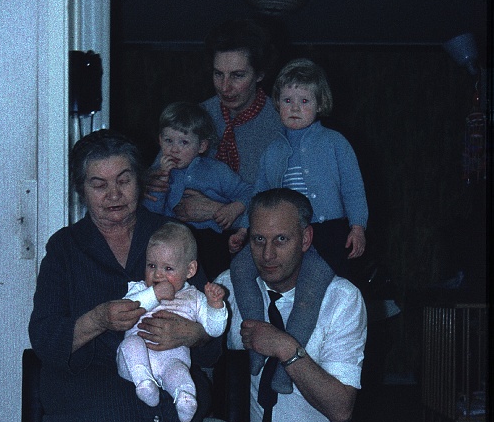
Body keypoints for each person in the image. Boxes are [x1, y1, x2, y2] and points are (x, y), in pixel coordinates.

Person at [29, 129, 222, 422]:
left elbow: (215, 336)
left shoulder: (173, 238)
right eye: (99, 184)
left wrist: (190, 336)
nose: (113, 195)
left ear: (141, 182)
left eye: (123, 180)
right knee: (111, 411)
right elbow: (45, 338)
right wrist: (96, 320)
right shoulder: (65, 249)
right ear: (81, 190)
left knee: (176, 413)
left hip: (165, 365)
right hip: (84, 374)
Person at [215, 188, 370, 422]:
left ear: (306, 238)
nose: (268, 255)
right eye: (259, 240)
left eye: (281, 240)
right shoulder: (228, 287)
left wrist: (285, 348)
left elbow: (341, 409)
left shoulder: (342, 299)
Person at [147, 18, 283, 257]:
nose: (225, 87)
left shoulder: (281, 126)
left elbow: (286, 208)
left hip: (260, 249)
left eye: (238, 75)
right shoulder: (193, 118)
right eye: (218, 74)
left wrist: (217, 210)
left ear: (260, 74)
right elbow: (153, 181)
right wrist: (150, 180)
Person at [250, 58, 369, 277]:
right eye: (287, 100)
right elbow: (259, 194)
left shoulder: (335, 142)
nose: (295, 107)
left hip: (329, 230)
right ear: (277, 103)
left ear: (320, 104)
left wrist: (357, 227)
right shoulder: (272, 150)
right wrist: (245, 227)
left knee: (329, 283)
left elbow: (353, 189)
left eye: (304, 101)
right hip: (286, 233)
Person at [116, 221, 227, 422]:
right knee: (130, 345)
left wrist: (215, 306)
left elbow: (214, 329)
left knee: (179, 372)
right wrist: (153, 294)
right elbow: (126, 309)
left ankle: (185, 400)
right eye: (151, 266)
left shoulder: (194, 297)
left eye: (168, 268)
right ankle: (144, 384)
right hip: (134, 361)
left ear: (190, 270)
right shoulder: (139, 290)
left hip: (173, 360)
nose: (158, 274)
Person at [143, 102, 252, 277]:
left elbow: (249, 191)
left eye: (184, 142)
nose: (174, 149)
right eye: (168, 140)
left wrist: (235, 207)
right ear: (159, 140)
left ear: (202, 146)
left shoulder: (216, 170)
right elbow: (152, 213)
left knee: (214, 280)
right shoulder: (159, 174)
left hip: (212, 240)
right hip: (175, 241)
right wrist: (162, 180)